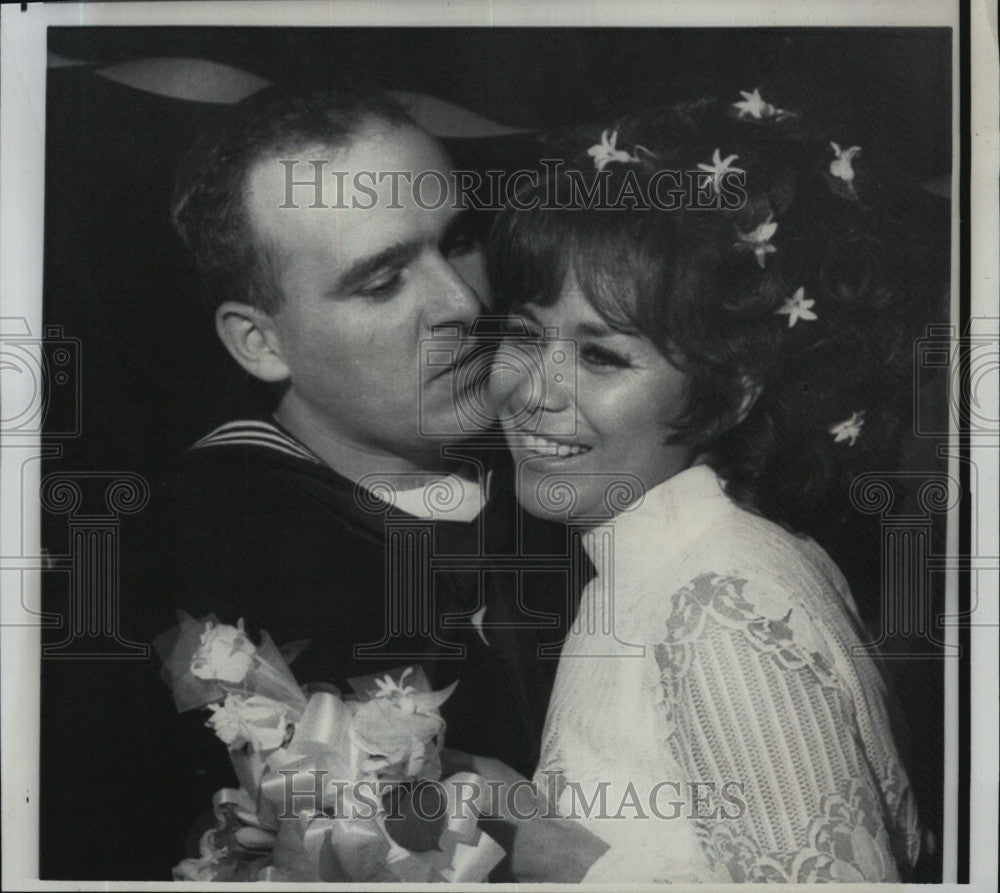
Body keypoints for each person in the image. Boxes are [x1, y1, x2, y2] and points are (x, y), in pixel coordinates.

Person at [484, 98, 940, 882]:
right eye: (524, 335)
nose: (535, 390)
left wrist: (550, 853)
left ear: (730, 393)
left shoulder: (719, 604)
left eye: (602, 358)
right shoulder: (660, 563)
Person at [127, 85, 578, 874]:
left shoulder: (587, 464)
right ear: (261, 343)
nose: (463, 302)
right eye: (381, 281)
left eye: (460, 241)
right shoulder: (199, 574)